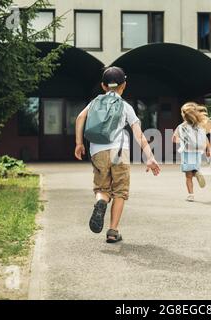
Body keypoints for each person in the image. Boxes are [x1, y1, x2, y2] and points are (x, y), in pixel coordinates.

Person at [74, 66, 160, 243]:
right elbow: (138, 133)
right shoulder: (125, 106)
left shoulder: (95, 102)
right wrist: (149, 157)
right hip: (120, 152)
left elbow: (80, 118)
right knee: (120, 191)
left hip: (98, 151)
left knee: (102, 189)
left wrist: (79, 143)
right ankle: (113, 231)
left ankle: (101, 202)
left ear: (103, 86)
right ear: (124, 85)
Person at [173, 102, 211, 202]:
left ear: (183, 115)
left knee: (188, 176)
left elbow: (173, 139)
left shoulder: (181, 127)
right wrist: (209, 150)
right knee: (193, 169)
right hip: (197, 153)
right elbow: (205, 139)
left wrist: (181, 141)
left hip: (186, 152)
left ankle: (191, 195)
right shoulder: (199, 127)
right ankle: (196, 172)